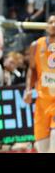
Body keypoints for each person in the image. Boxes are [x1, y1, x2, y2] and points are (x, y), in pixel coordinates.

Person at [24, 15, 55, 153]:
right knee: (42, 147)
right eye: (51, 22)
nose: (54, 24)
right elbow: (32, 69)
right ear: (46, 25)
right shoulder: (36, 45)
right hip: (42, 102)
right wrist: (28, 89)